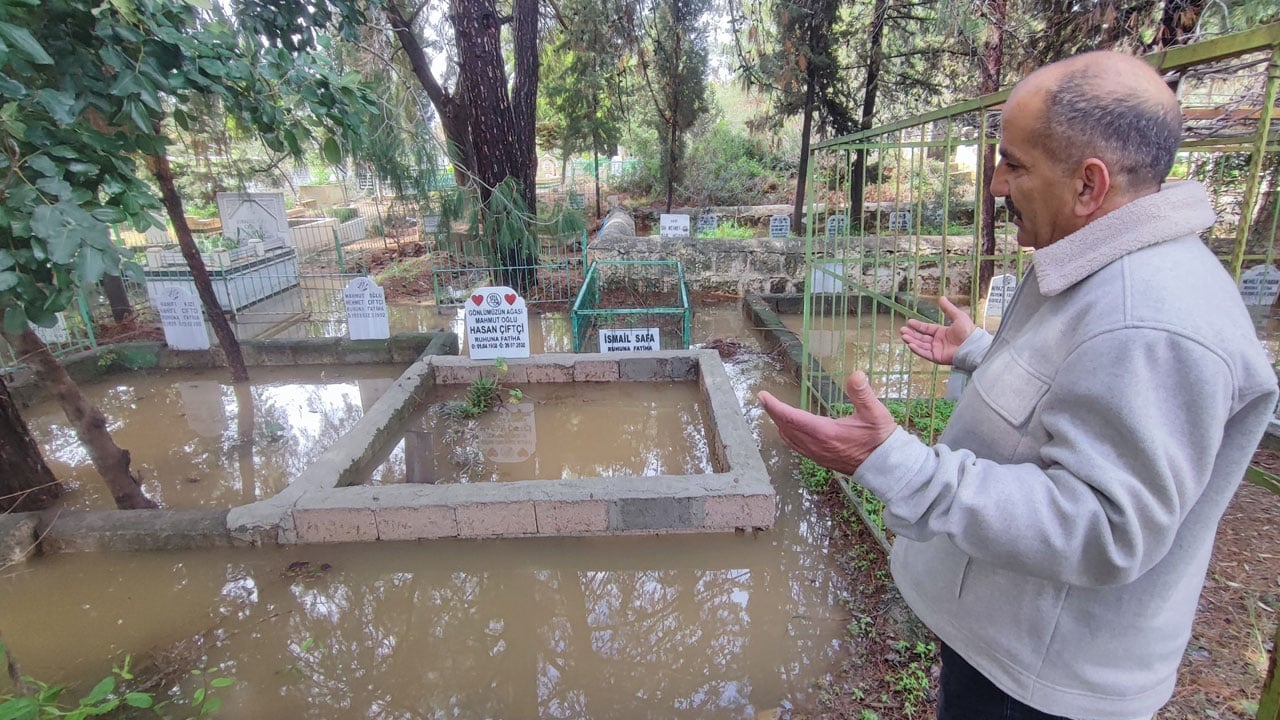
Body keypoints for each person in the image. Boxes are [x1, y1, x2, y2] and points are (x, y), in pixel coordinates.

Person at [759, 50, 1279, 720]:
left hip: (1039, 684)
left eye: (1014, 164)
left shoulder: (1151, 319)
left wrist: (895, 465)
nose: (997, 184)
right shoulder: (1101, 264)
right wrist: (984, 354)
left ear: (1088, 185)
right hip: (1003, 642)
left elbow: (1105, 525)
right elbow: (1079, 391)